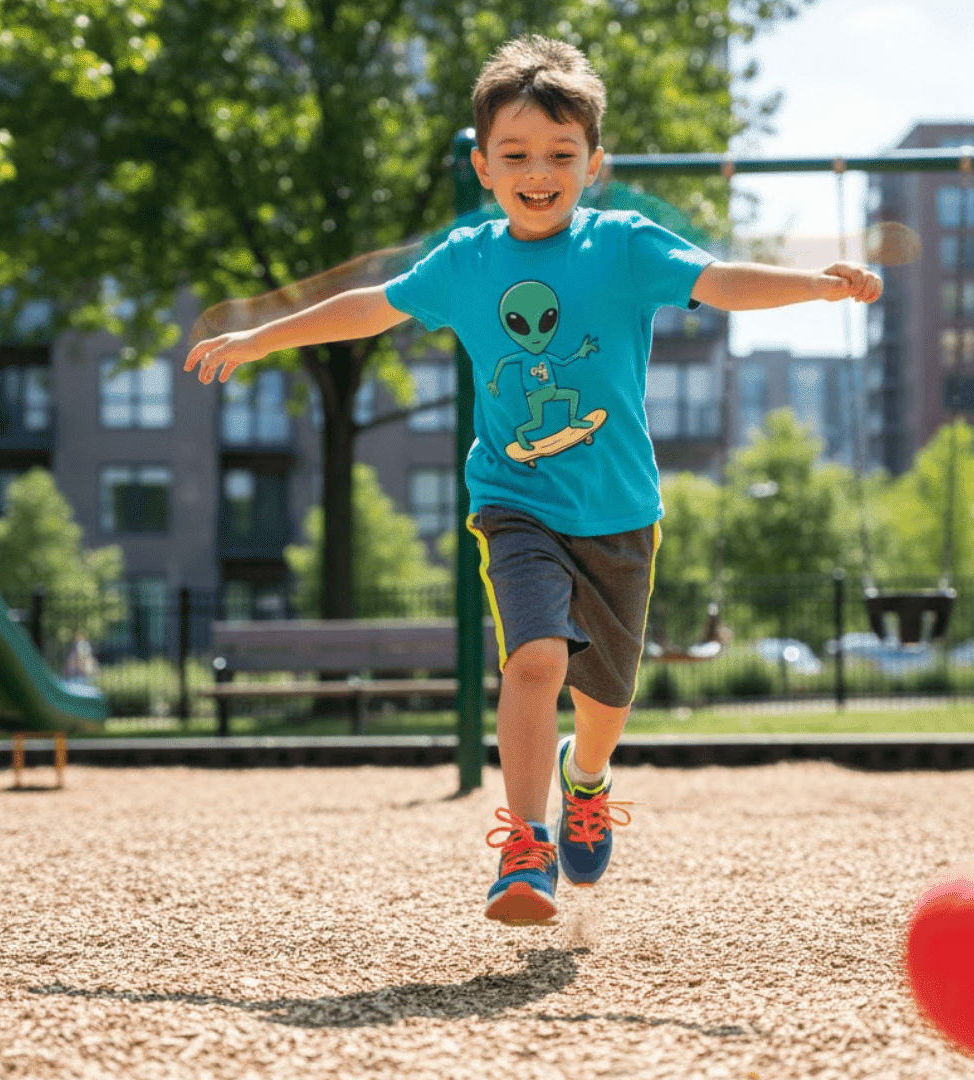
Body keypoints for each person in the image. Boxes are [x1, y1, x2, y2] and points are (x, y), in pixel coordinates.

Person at [185, 35, 881, 926]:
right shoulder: (468, 261)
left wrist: (817, 288)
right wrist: (261, 335)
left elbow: (721, 280)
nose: (538, 171)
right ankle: (526, 846)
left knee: (606, 702)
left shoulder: (624, 246)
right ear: (483, 166)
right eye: (515, 155)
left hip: (621, 511)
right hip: (514, 504)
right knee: (535, 661)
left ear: (595, 164)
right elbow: (371, 306)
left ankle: (583, 780)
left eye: (560, 154)